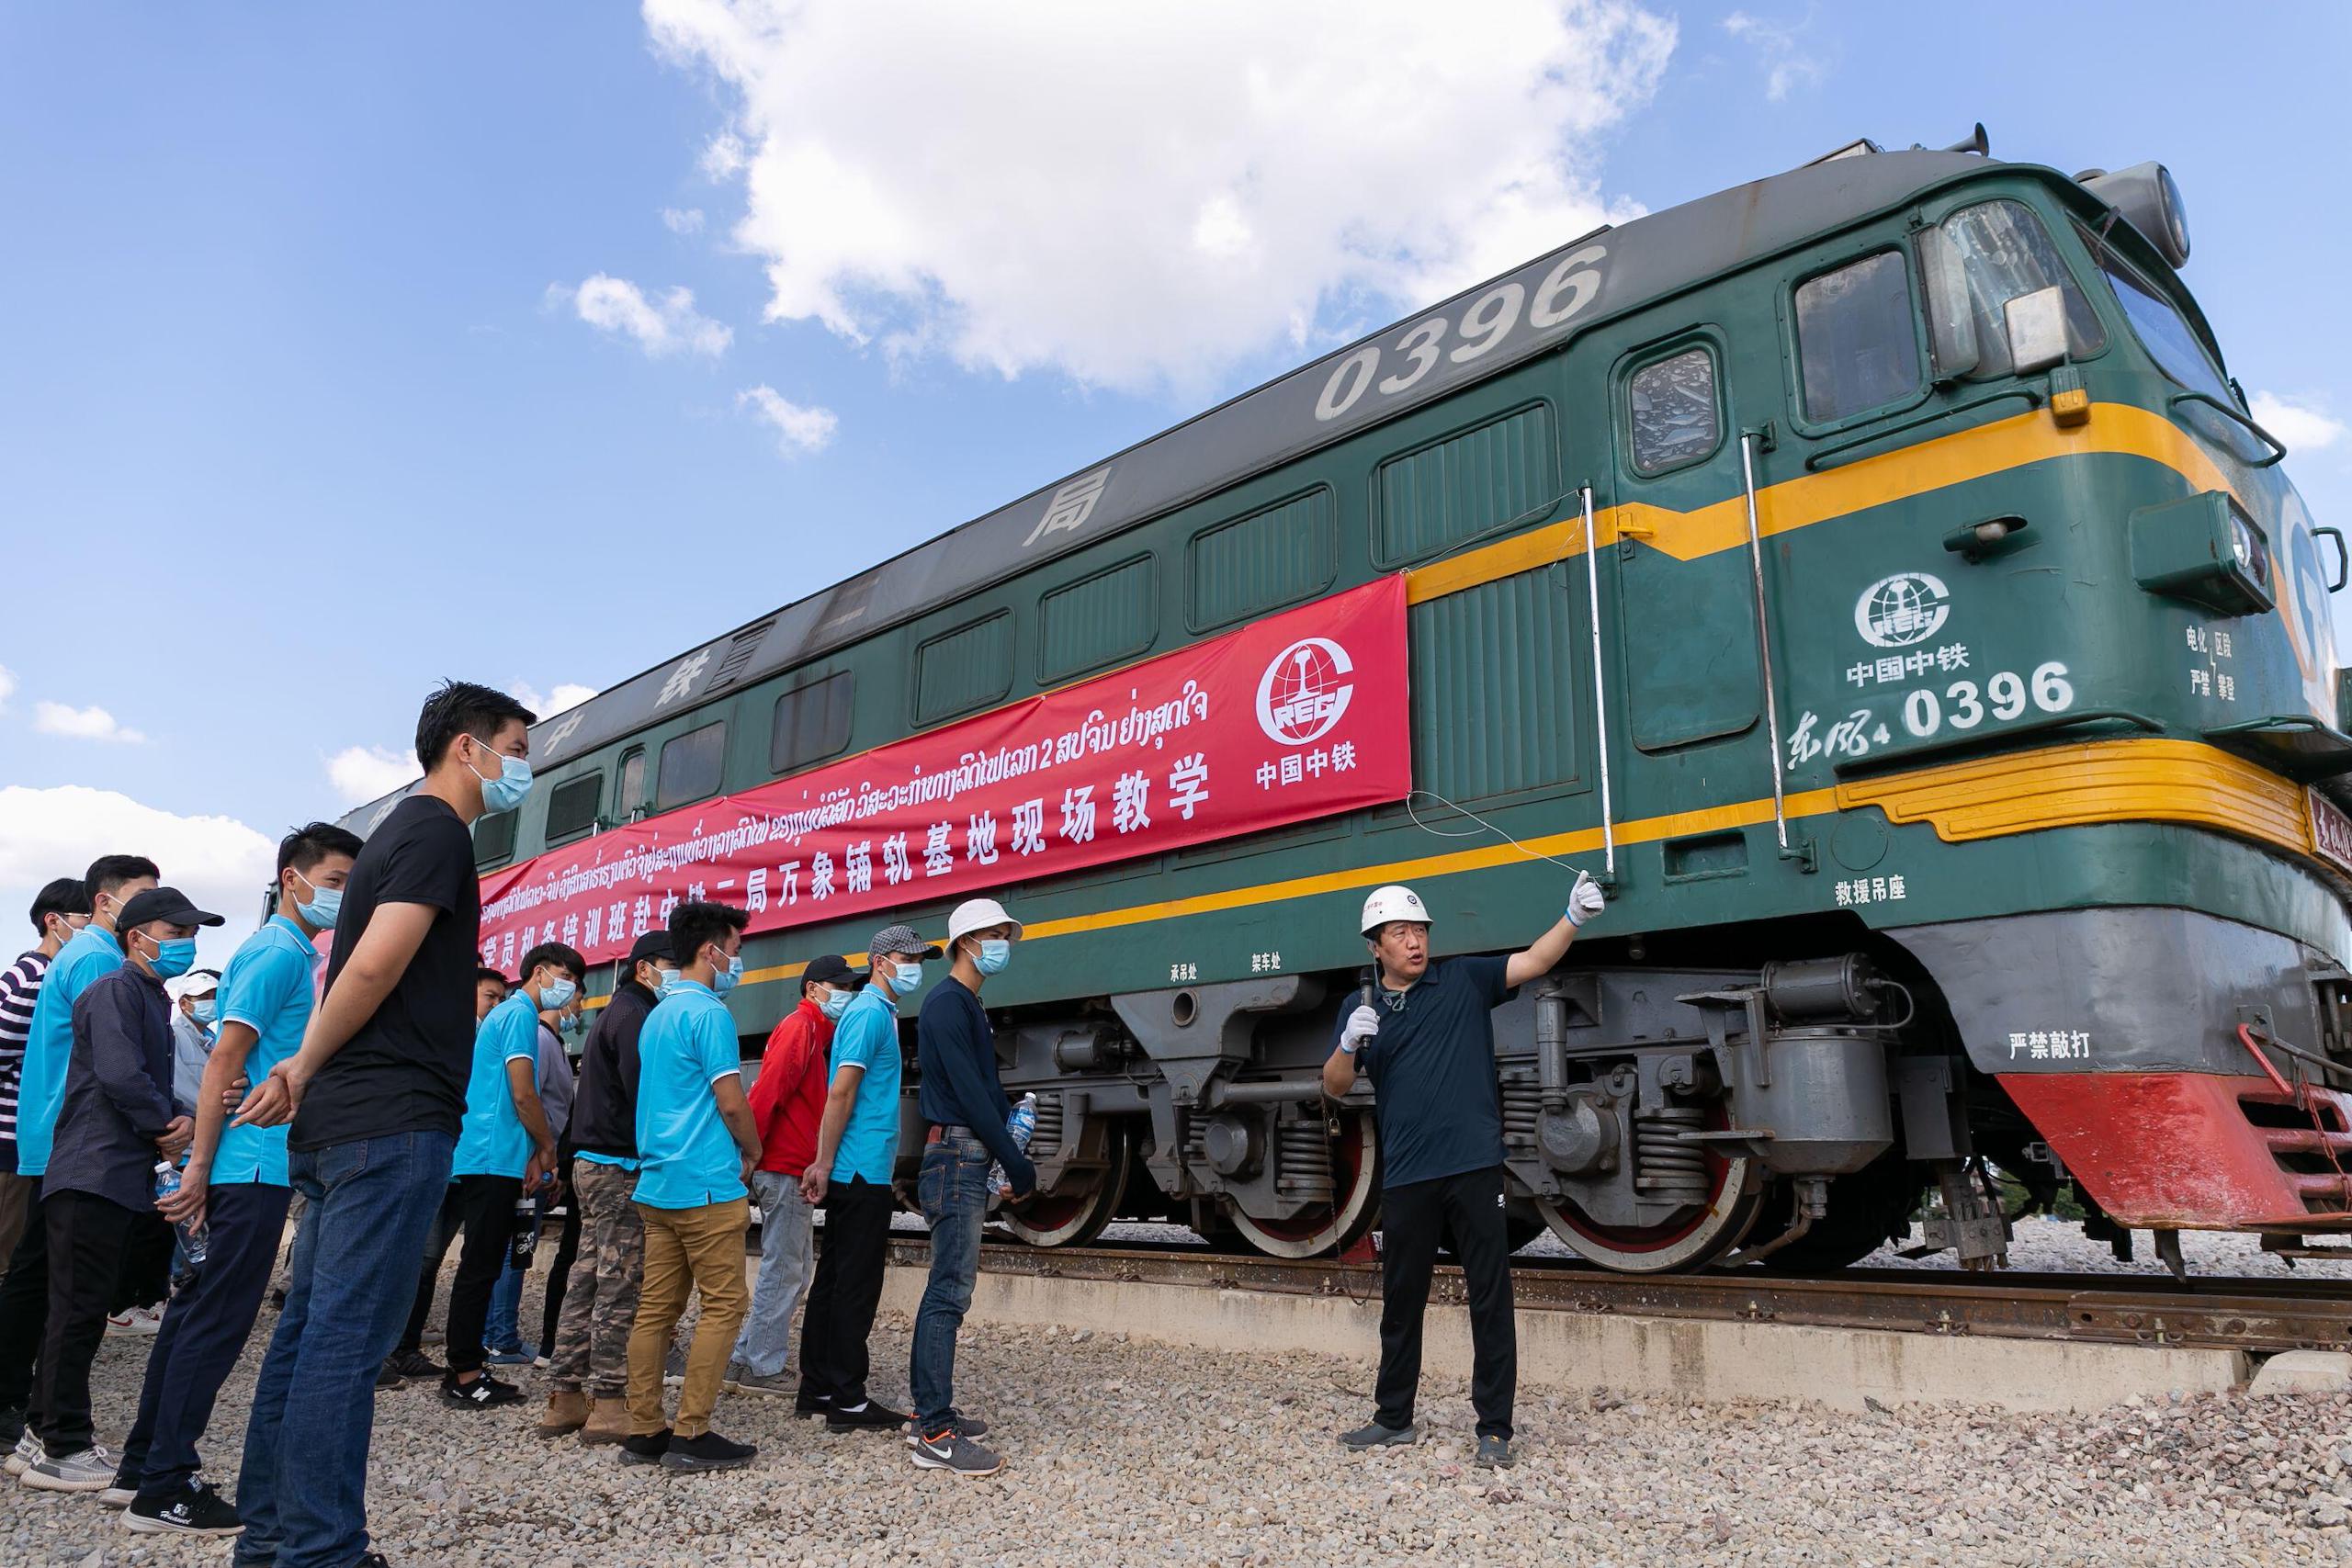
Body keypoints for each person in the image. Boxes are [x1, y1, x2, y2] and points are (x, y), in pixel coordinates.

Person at [231, 679, 536, 1568]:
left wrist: (311, 1073)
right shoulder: (438, 833)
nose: (521, 767)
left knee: (308, 1332)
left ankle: (273, 1536)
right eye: (515, 748)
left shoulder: (394, 839)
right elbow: (369, 969)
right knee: (345, 1341)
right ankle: (322, 1550)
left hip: (345, 1128)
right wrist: (302, 1061)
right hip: (390, 1122)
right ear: (465, 748)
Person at [115, 825, 359, 1535]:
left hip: (247, 1160)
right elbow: (225, 1060)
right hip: (247, 1165)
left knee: (193, 1317)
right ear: (293, 878)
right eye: (336, 880)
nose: (343, 896)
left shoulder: (284, 953)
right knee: (214, 1324)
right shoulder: (278, 953)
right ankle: (164, 1484)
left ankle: (142, 1467)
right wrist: (196, 1172)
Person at [1322, 876, 1606, 1471]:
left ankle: (1494, 1427)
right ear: (1376, 946)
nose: (1415, 941)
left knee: (1489, 1296)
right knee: (1402, 1298)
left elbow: (1533, 960)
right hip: (1407, 1176)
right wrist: (1348, 1045)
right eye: (1400, 933)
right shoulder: (1363, 1009)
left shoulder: (1464, 980)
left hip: (1474, 1168)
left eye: (1419, 929)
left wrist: (1572, 915)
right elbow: (1334, 1085)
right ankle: (1393, 1416)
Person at [19, 886, 212, 1490]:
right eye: (174, 932)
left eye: (190, 933)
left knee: (77, 1307)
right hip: (92, 1171)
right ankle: (63, 1446)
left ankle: (39, 1433)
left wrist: (180, 1117)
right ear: (137, 935)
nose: (185, 943)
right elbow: (121, 1075)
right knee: (77, 1310)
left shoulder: (148, 996)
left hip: (107, 1173)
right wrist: (168, 1126)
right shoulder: (114, 990)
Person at [0, 854, 159, 1477]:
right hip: (76, 1138)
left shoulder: (83, 954)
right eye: (142, 898)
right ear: (104, 900)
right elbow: (114, 1063)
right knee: (67, 1288)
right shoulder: (97, 959)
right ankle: (52, 1431)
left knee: (40, 1277)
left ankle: (21, 1407)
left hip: (54, 1134)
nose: (151, 911)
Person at [621, 900, 759, 1473]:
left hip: (658, 1183)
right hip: (705, 1184)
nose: (737, 963)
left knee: (655, 1309)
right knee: (725, 1305)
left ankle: (644, 1429)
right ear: (712, 951)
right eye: (736, 950)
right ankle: (693, 1431)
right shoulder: (709, 1014)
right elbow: (730, 1100)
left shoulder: (657, 1014)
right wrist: (752, 1149)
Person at [908, 898, 1035, 1478]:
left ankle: (932, 1416)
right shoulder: (947, 1005)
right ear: (966, 942)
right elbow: (969, 1091)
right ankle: (933, 1431)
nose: (1004, 943)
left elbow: (986, 1089)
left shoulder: (966, 1004)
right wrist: (1014, 1159)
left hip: (962, 1153)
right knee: (948, 1292)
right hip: (957, 1154)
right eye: (995, 934)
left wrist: (1009, 1138)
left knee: (948, 1290)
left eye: (1007, 934)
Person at [541, 931, 671, 1444]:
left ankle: (565, 1395)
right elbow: (647, 1096)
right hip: (619, 1168)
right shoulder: (637, 1017)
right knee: (621, 1286)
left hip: (590, 1164)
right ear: (644, 969)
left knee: (588, 1277)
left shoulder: (611, 1014)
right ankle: (611, 1402)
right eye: (671, 964)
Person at [436, 940, 577, 1407]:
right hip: (492, 1157)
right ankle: (466, 1374)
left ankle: (468, 1363)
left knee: (480, 1263)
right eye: (566, 978)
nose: (570, 989)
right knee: (480, 1267)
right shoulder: (519, 1017)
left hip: (492, 1155)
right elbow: (523, 1094)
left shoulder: (507, 1017)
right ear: (539, 973)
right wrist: (547, 1147)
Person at [800, 931, 928, 1433]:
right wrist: (824, 1163)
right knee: (855, 1284)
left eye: (920, 958)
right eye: (906, 958)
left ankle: (818, 1388)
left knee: (834, 1279)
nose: (915, 966)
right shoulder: (871, 1014)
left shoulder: (875, 1012)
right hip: (861, 1168)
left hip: (857, 1165)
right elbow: (841, 1093)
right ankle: (848, 1400)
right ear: (880, 963)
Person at [729, 953, 860, 1398]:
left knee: (791, 1268)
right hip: (782, 1165)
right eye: (839, 987)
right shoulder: (802, 1028)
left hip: (784, 1165)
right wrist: (753, 1150)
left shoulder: (810, 1031)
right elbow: (768, 1093)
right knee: (785, 1269)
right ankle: (763, 1367)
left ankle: (746, 1357)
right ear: (813, 989)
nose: (847, 995)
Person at [380, 964, 513, 1386]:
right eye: (489, 996)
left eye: (500, 998)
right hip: (438, 1162)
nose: (495, 1005)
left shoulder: (489, 1036)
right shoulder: (453, 1033)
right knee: (415, 1260)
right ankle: (390, 1350)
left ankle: (406, 1345)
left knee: (430, 1261)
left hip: (463, 1166)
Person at [0, 878, 92, 1267]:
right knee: (10, 1248)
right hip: (13, 1137)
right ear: (54, 921)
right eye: (86, 916)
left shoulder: (29, 971)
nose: (93, 925)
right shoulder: (38, 978)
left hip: (20, 1136)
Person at [484, 988, 579, 1364]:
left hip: (537, 1160)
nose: (578, 1006)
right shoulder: (539, 1037)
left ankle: (497, 1334)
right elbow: (528, 1098)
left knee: (514, 1248)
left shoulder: (548, 1040)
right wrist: (541, 1160)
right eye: (577, 994)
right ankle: (500, 1337)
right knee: (516, 1249)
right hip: (531, 1161)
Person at [168, 972, 220, 1117]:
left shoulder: (214, 1040)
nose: (212, 1002)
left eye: (215, 997)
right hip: (191, 1125)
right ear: (184, 1004)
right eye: (204, 997)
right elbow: (182, 1091)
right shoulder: (174, 1036)